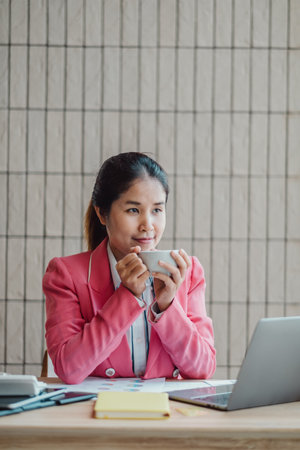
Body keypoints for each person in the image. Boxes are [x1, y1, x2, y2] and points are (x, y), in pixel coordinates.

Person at [43, 152, 216, 384]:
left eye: (157, 210)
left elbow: (203, 368)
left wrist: (166, 306)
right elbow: (68, 368)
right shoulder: (66, 274)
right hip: (94, 415)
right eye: (133, 210)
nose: (148, 225)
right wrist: (126, 296)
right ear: (102, 214)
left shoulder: (187, 271)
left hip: (168, 416)